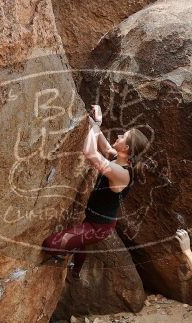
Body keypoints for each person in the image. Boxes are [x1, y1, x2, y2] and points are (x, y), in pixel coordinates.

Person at [42, 104, 150, 280]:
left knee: (50, 244)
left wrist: (97, 125)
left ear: (127, 149)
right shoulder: (119, 157)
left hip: (98, 227)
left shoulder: (122, 174)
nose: (119, 135)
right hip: (94, 219)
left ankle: (70, 265)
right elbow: (105, 148)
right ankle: (75, 272)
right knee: (81, 240)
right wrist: (94, 122)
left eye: (124, 137)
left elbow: (89, 152)